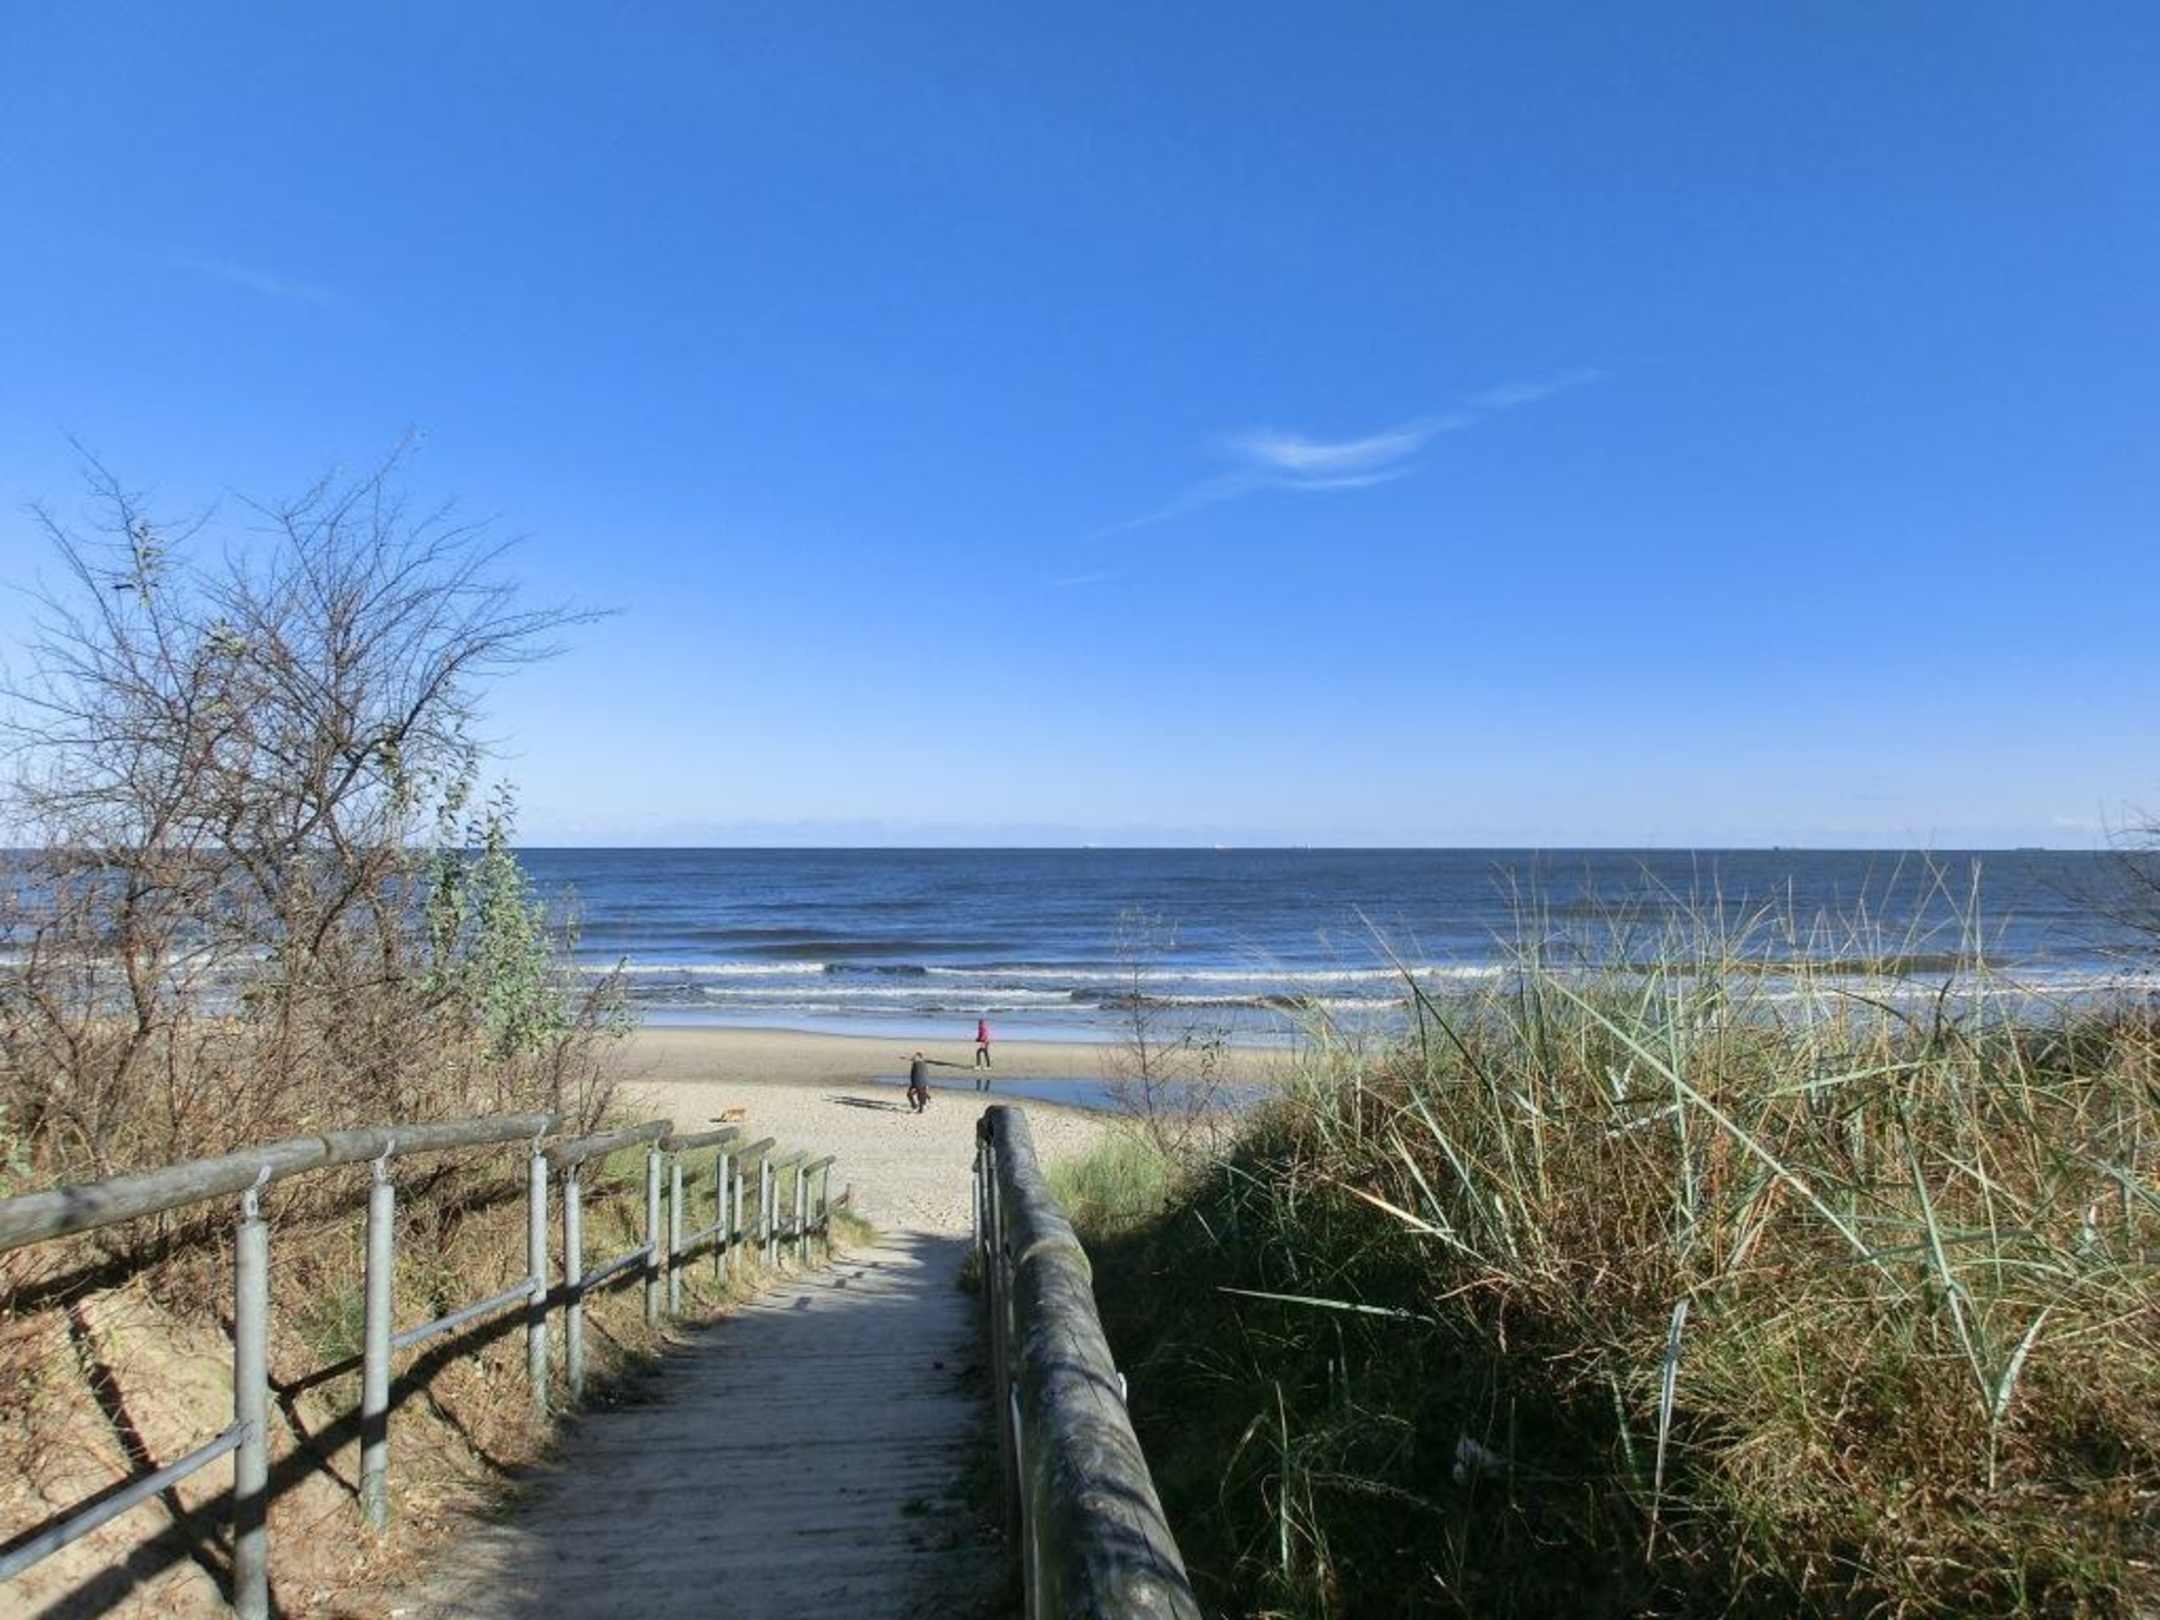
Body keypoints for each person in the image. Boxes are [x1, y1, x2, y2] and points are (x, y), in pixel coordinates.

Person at [973, 1017, 992, 1085]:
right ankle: (987, 1066)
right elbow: (980, 1035)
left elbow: (984, 1035)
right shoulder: (980, 1028)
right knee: (983, 1053)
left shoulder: (984, 1028)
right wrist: (978, 1039)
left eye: (981, 1023)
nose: (980, 1024)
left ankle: (980, 1065)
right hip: (983, 1041)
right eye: (979, 1023)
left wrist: (981, 1040)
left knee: (980, 1052)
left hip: (985, 1042)